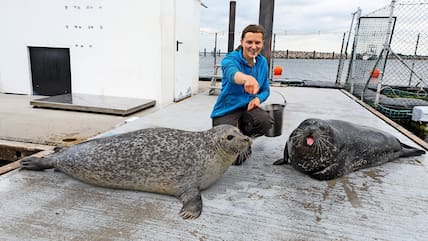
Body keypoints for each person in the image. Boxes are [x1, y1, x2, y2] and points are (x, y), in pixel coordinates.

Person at [210, 24, 273, 165]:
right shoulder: (230, 59)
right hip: (227, 109)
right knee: (235, 159)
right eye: (249, 42)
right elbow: (232, 73)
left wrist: (258, 98)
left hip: (248, 109)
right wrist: (246, 79)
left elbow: (266, 89)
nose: (253, 46)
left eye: (257, 42)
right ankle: (236, 136)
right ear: (242, 42)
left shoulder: (262, 62)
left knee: (266, 122)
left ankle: (245, 138)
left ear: (262, 43)